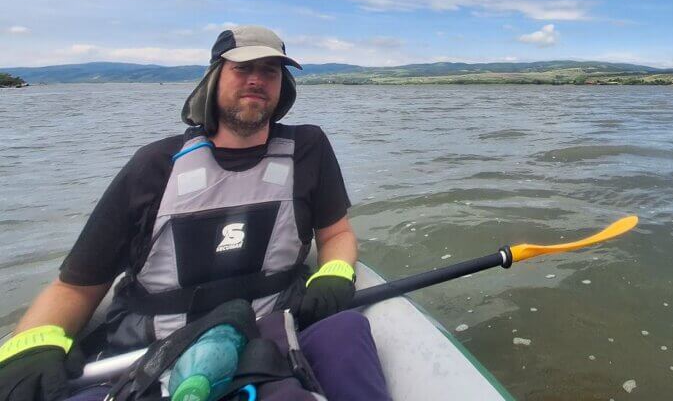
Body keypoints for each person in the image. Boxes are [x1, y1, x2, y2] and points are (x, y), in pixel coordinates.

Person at [0, 26, 390, 401]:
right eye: (242, 68)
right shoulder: (154, 165)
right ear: (214, 77)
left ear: (282, 86)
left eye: (270, 71)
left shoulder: (309, 148)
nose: (257, 79)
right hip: (151, 356)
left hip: (271, 334)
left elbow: (335, 233)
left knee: (347, 328)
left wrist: (335, 272)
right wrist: (36, 340)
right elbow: (76, 286)